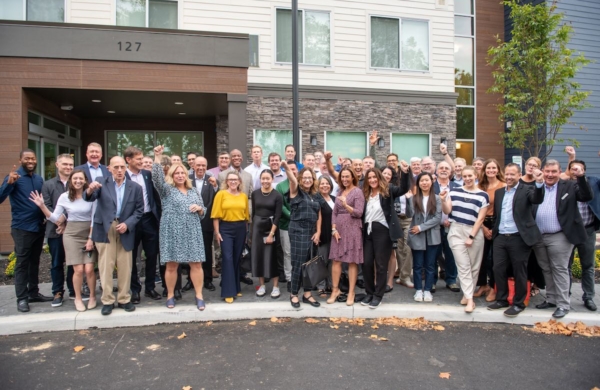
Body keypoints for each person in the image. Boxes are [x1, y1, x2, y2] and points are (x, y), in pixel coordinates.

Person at [30, 170, 98, 312]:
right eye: (75, 178)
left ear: (85, 180)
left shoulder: (91, 195)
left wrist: (91, 238)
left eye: (81, 178)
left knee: (90, 269)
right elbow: (55, 218)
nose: (78, 181)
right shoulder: (64, 197)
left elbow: (94, 218)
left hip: (89, 232)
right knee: (78, 269)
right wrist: (42, 206)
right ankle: (78, 298)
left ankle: (92, 297)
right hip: (72, 234)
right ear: (71, 181)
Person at [83, 156, 144, 316]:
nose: (119, 170)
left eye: (122, 167)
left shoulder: (135, 187)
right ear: (109, 168)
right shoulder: (100, 182)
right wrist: (90, 189)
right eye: (115, 167)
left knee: (125, 266)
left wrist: (128, 224)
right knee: (106, 266)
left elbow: (139, 211)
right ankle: (108, 300)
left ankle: (124, 298)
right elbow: (89, 197)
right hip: (105, 227)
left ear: (126, 168)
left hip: (125, 228)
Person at [532, 160, 593, 318]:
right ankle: (551, 298)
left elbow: (586, 196)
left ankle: (563, 304)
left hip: (560, 235)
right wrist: (538, 183)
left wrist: (581, 177)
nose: (550, 175)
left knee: (559, 268)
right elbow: (532, 201)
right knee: (546, 268)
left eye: (553, 171)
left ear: (560, 172)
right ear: (543, 171)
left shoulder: (569, 186)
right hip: (539, 235)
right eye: (547, 171)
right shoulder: (537, 186)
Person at [152, 146, 207, 310]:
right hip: (172, 232)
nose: (180, 175)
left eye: (182, 173)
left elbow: (203, 212)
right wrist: (157, 157)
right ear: (172, 175)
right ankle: (170, 295)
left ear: (186, 174)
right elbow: (156, 177)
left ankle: (199, 295)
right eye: (177, 173)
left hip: (192, 231)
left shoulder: (194, 191)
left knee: (196, 264)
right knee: (171, 265)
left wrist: (200, 209)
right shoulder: (166, 190)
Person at [487, 164, 544, 317]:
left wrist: (539, 183)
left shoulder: (527, 190)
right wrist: (495, 230)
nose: (509, 177)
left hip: (519, 237)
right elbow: (497, 215)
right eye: (507, 174)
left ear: (519, 175)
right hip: (500, 237)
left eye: (513, 174)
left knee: (520, 271)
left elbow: (537, 199)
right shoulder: (499, 193)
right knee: (498, 269)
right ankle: (502, 299)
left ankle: (519, 303)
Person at [0, 149, 51, 312]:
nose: (30, 161)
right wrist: (9, 183)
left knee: (34, 261)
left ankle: (33, 293)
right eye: (27, 158)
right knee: (22, 263)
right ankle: (21, 298)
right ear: (20, 160)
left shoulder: (38, 179)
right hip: (22, 227)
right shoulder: (13, 177)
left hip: (38, 226)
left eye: (33, 158)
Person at [360, 166, 410, 308]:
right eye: (369, 178)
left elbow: (404, 189)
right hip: (367, 231)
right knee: (367, 263)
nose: (372, 180)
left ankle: (378, 295)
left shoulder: (388, 190)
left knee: (381, 265)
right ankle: (369, 293)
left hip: (382, 231)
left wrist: (405, 173)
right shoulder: (365, 193)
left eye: (374, 177)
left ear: (379, 178)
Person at [441, 165, 489, 313]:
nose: (467, 179)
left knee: (474, 266)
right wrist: (443, 200)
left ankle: (467, 294)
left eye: (470, 176)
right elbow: (448, 210)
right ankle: (470, 300)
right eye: (465, 176)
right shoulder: (454, 191)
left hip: (473, 231)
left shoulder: (483, 195)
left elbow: (480, 219)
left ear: (476, 176)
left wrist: (471, 236)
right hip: (456, 229)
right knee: (463, 265)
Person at [280, 161, 322, 309]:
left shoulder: (315, 195)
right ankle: (294, 294)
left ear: (313, 179)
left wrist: (318, 232)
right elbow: (292, 179)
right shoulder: (295, 191)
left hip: (311, 232)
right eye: (304, 177)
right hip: (298, 231)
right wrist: (286, 167)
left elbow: (319, 214)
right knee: (298, 263)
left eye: (310, 177)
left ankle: (307, 294)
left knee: (309, 263)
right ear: (300, 178)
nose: (307, 180)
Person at [124, 146, 162, 304]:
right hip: (131, 221)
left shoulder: (147, 175)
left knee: (152, 255)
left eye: (142, 159)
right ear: (128, 160)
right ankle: (134, 290)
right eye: (138, 159)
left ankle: (150, 287)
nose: (142, 162)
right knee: (132, 257)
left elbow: (155, 196)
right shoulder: (122, 175)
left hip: (148, 220)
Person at [565, 153, 600, 311]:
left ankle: (588, 296)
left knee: (588, 265)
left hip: (588, 229)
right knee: (566, 265)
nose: (575, 171)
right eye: (572, 169)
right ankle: (566, 294)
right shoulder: (564, 184)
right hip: (569, 231)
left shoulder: (593, 181)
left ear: (584, 171)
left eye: (578, 169)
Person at [42, 153, 76, 307]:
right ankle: (57, 291)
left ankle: (73, 289)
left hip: (73, 229)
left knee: (72, 261)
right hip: (54, 231)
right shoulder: (48, 185)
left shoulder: (76, 183)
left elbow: (79, 204)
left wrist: (65, 218)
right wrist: (58, 220)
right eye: (65, 164)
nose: (68, 167)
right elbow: (46, 205)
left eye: (71, 164)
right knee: (56, 262)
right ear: (57, 165)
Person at [327, 167, 365, 306]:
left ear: (353, 177)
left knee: (352, 261)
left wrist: (345, 204)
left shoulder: (358, 192)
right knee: (336, 260)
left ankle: (351, 292)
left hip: (353, 229)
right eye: (342, 177)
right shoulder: (339, 191)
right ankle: (335, 290)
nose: (344, 179)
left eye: (347, 176)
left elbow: (358, 213)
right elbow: (334, 213)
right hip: (339, 230)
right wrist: (333, 229)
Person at [212, 171, 250, 303]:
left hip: (240, 229)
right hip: (225, 228)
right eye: (230, 180)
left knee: (236, 258)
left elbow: (246, 217)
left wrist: (245, 234)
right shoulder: (221, 194)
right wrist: (217, 232)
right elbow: (215, 215)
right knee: (227, 258)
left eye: (235, 179)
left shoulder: (244, 196)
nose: (233, 182)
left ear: (239, 181)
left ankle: (236, 288)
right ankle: (228, 291)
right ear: (226, 182)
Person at [406, 172, 442, 303]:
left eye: (427, 180)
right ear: (418, 183)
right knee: (417, 265)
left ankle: (427, 289)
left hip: (432, 235)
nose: (424, 183)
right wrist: (408, 200)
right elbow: (409, 215)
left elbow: (437, 218)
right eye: (422, 181)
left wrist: (421, 227)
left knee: (430, 265)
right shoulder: (413, 198)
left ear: (431, 182)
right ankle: (418, 290)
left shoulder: (437, 198)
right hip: (417, 236)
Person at [474, 159, 506, 302]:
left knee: (494, 258)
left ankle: (493, 288)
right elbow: (475, 210)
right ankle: (482, 285)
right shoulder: (480, 186)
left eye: (494, 168)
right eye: (488, 168)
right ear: (484, 170)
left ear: (498, 170)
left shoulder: (503, 186)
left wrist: (494, 228)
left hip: (498, 224)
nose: (491, 170)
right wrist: (483, 227)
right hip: (481, 224)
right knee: (480, 257)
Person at [251, 169, 283, 298]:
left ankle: (275, 286)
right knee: (258, 257)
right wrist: (252, 232)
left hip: (271, 228)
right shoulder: (255, 194)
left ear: (272, 179)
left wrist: (271, 234)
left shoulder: (277, 195)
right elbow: (253, 213)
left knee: (272, 257)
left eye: (267, 178)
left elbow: (278, 215)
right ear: (260, 179)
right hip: (257, 229)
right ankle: (262, 285)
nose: (265, 181)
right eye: (263, 178)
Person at [190, 156, 219, 292]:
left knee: (207, 250)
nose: (201, 168)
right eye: (198, 165)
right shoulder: (187, 179)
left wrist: (216, 186)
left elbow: (217, 198)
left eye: (203, 165)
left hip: (206, 221)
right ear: (193, 166)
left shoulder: (211, 180)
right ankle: (191, 281)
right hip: (190, 221)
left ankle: (207, 279)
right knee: (191, 252)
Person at [433, 161, 461, 293]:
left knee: (451, 254)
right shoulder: (430, 186)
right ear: (436, 171)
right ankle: (431, 281)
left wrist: (451, 219)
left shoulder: (457, 187)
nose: (443, 170)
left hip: (452, 226)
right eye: (441, 168)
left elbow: (459, 207)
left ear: (450, 172)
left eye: (446, 168)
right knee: (434, 255)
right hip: (435, 227)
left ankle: (451, 280)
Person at [520, 156, 545, 295]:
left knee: (536, 258)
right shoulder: (518, 181)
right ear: (525, 166)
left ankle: (536, 284)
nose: (531, 167)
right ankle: (525, 283)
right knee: (524, 258)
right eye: (529, 164)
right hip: (521, 224)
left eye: (534, 165)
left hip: (536, 223)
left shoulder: (540, 183)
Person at [275, 160, 299, 287]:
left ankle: (300, 276)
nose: (292, 171)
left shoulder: (302, 184)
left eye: (294, 169)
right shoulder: (280, 186)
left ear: (297, 170)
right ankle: (290, 278)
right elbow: (281, 206)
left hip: (301, 225)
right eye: (289, 169)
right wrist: (292, 216)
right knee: (288, 252)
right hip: (286, 225)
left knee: (300, 252)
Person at [316, 175, 335, 296]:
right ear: (318, 186)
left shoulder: (334, 198)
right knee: (322, 260)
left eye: (327, 183)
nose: (325, 186)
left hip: (334, 234)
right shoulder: (317, 199)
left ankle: (330, 284)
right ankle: (321, 286)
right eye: (322, 183)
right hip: (322, 233)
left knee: (332, 261)